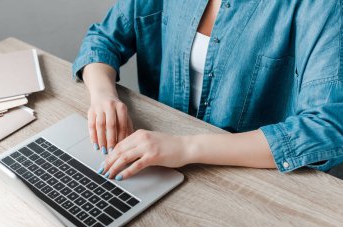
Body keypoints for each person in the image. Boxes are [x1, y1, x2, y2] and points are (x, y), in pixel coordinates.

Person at [72, 0, 343, 181]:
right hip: (154, 157)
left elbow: (327, 129)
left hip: (251, 178)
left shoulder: (323, 6)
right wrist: (103, 95)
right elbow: (104, 39)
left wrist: (187, 147)